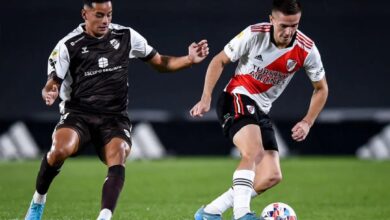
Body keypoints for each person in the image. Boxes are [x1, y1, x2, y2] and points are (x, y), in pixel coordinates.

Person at [24, 0, 209, 219]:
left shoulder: (126, 36)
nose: (106, 21)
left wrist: (188, 59)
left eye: (109, 15)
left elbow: (160, 62)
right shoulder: (68, 45)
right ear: (85, 14)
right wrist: (51, 90)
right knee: (59, 150)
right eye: (99, 15)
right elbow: (53, 80)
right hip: (78, 114)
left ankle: (104, 216)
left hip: (114, 117)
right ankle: (38, 201)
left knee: (118, 155)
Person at [190, 0, 328, 219]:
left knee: (272, 176)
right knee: (252, 152)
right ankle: (242, 213)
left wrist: (307, 121)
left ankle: (210, 211)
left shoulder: (306, 49)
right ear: (272, 20)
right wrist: (205, 97)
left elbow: (321, 89)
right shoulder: (254, 34)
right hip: (235, 97)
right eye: (284, 25)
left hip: (260, 111)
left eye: (295, 25)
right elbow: (219, 60)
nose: (289, 31)